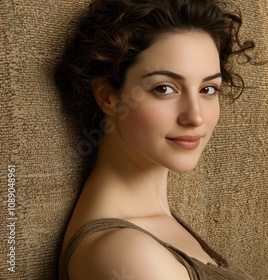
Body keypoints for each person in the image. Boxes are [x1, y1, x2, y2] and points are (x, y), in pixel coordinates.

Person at [55, 0, 255, 279]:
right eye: (164, 88)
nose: (195, 117)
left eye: (208, 89)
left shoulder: (154, 230)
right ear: (107, 95)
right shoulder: (127, 254)